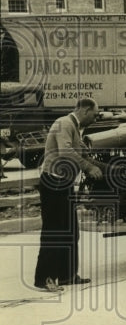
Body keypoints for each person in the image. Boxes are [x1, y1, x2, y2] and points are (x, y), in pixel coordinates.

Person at [33, 98, 105, 292]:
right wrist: (89, 167)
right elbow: (66, 151)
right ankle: (43, 279)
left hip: (64, 185)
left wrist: (107, 168)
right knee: (54, 232)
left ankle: (67, 275)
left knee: (71, 231)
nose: (95, 119)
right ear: (85, 110)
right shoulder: (64, 123)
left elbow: (83, 154)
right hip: (53, 183)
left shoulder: (75, 127)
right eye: (94, 115)